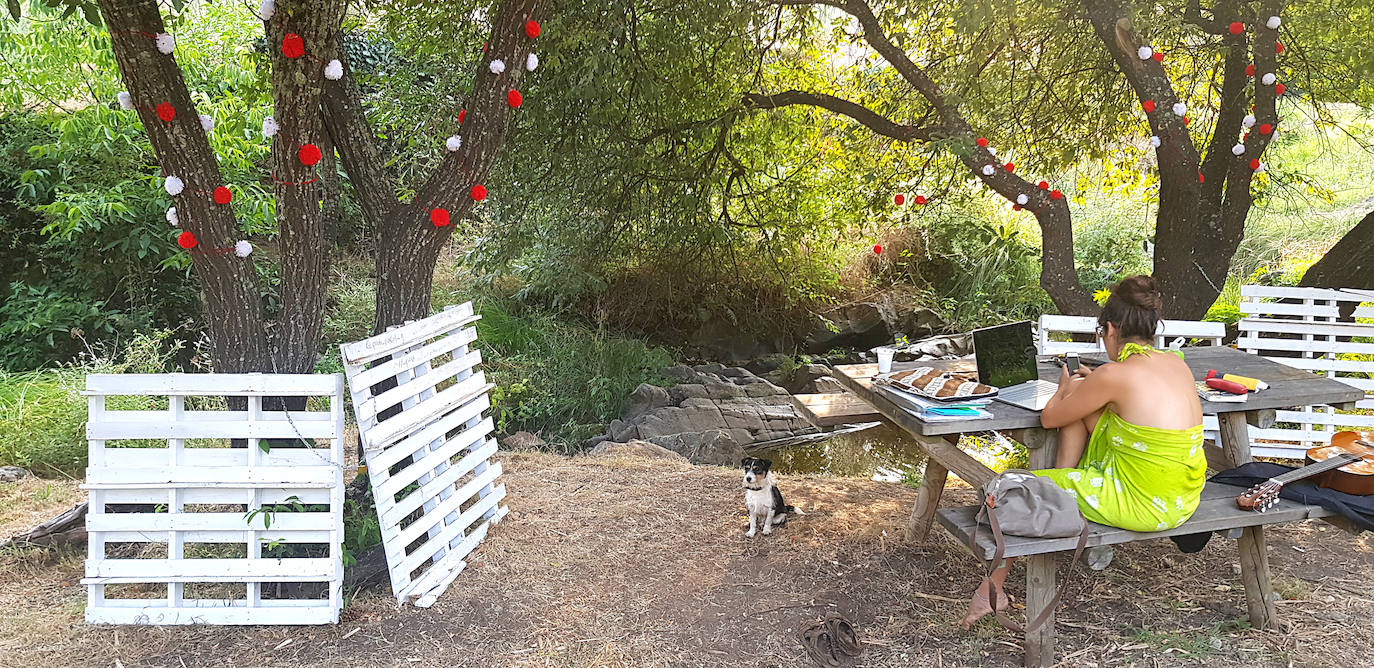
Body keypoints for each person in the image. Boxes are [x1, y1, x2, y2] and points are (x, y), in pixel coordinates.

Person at [960, 275, 1206, 629]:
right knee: (1087, 410)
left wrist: (1066, 388)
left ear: (1109, 329)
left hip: (1145, 504)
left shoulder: (1114, 376)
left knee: (1012, 492)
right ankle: (1062, 492)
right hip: (1184, 496)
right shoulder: (1176, 363)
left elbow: (1050, 418)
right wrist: (1091, 387)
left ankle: (989, 593)